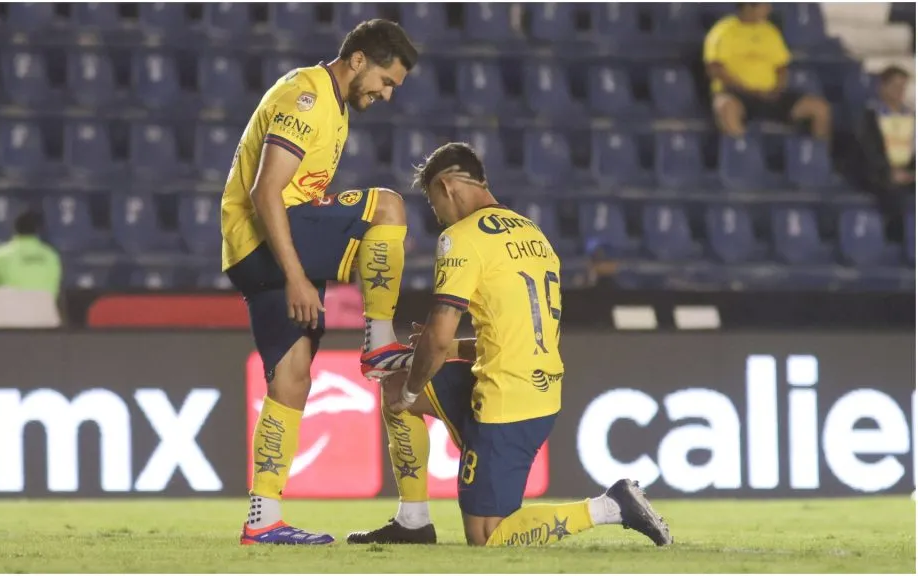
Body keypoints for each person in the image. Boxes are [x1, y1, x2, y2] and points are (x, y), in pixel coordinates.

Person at [347, 143, 672, 547]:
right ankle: (413, 521)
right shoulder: (532, 233)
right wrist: (446, 354)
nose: (438, 217)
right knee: (395, 385)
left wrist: (425, 370)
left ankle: (611, 505)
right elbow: (511, 333)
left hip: (507, 402)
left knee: (487, 535)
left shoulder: (461, 239)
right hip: (531, 384)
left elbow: (439, 330)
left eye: (434, 205)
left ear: (447, 187)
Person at [224, 20, 419, 545]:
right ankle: (380, 341)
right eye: (386, 80)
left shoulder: (333, 106)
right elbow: (267, 192)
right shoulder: (307, 96)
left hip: (259, 247)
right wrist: (296, 276)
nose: (387, 93)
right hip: (267, 238)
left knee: (291, 379)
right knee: (390, 207)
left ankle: (263, 519)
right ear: (358, 60)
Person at [705, 3, 831, 141]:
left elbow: (782, 67)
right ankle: (744, 154)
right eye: (764, 5)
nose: (769, 9)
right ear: (748, 6)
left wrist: (777, 89)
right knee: (725, 106)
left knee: (819, 108)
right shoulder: (723, 30)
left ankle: (819, 157)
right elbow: (714, 69)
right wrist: (745, 89)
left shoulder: (770, 31)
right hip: (738, 94)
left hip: (771, 96)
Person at [852, 65, 914, 242]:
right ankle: (899, 243)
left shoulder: (911, 116)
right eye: (895, 87)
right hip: (878, 174)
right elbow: (868, 151)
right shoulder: (869, 116)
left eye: (903, 87)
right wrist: (888, 172)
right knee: (895, 195)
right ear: (882, 87)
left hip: (907, 172)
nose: (899, 92)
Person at [0, 209, 61, 297]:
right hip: (44, 310)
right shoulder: (52, 256)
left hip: (10, 310)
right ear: (38, 230)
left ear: (14, 228)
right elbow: (55, 290)